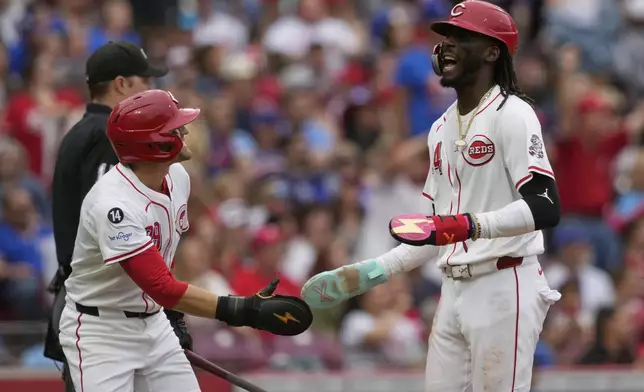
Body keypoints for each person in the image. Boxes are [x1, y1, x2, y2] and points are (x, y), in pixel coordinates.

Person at [301, 2, 562, 391]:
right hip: (453, 288)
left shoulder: (513, 113)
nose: (447, 46)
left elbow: (545, 205)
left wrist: (470, 225)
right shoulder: (439, 129)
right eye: (446, 38)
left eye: (462, 38)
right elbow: (431, 232)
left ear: (493, 51)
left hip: (505, 282)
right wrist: (372, 272)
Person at [59, 89, 311, 392]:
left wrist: (171, 311)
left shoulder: (178, 177)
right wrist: (244, 310)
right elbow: (161, 286)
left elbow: (166, 255)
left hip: (153, 322)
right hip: (102, 331)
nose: (186, 130)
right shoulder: (113, 205)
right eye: (175, 128)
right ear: (154, 144)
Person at [43, 41, 175, 391]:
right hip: (105, 311)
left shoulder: (80, 132)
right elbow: (114, 229)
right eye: (144, 81)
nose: (151, 89)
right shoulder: (109, 138)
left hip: (95, 301)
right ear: (121, 84)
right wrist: (170, 310)